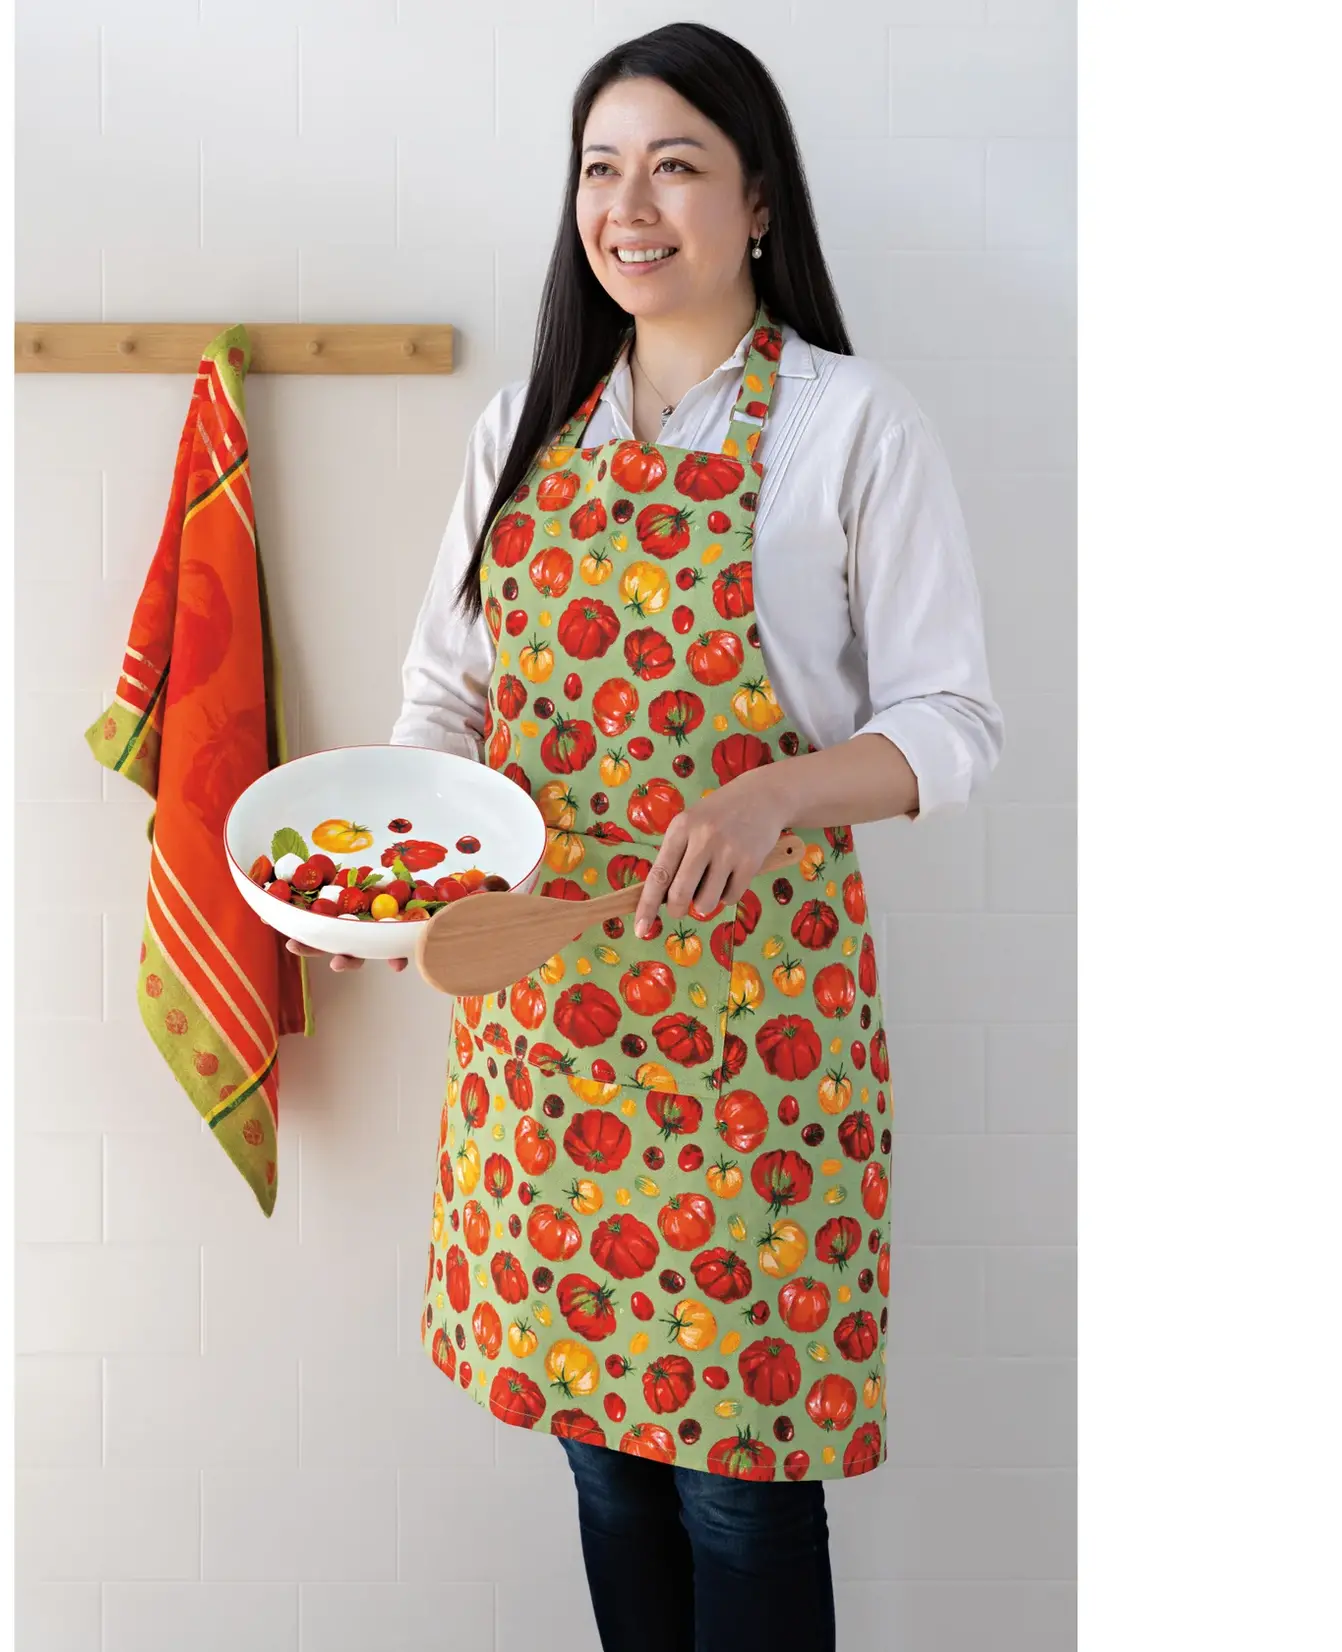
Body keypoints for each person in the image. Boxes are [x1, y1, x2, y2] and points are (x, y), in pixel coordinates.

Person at [288, 21, 1002, 1652]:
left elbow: (955, 722)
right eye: (600, 168)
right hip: (548, 1022)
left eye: (675, 166)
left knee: (744, 1481)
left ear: (759, 203)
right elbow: (446, 698)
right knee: (605, 1463)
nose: (629, 204)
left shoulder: (850, 426)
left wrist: (776, 794)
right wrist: (402, 885)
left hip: (761, 1038)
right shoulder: (524, 425)